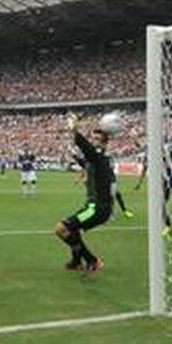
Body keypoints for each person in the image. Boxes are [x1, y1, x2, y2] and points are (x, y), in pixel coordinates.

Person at [54, 115, 113, 277]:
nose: (94, 141)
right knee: (73, 231)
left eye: (97, 139)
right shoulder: (95, 159)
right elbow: (86, 161)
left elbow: (88, 151)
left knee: (61, 229)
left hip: (97, 208)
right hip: (95, 206)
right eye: (93, 138)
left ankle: (92, 260)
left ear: (104, 143)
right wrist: (75, 156)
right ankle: (77, 262)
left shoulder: (100, 157)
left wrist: (74, 130)